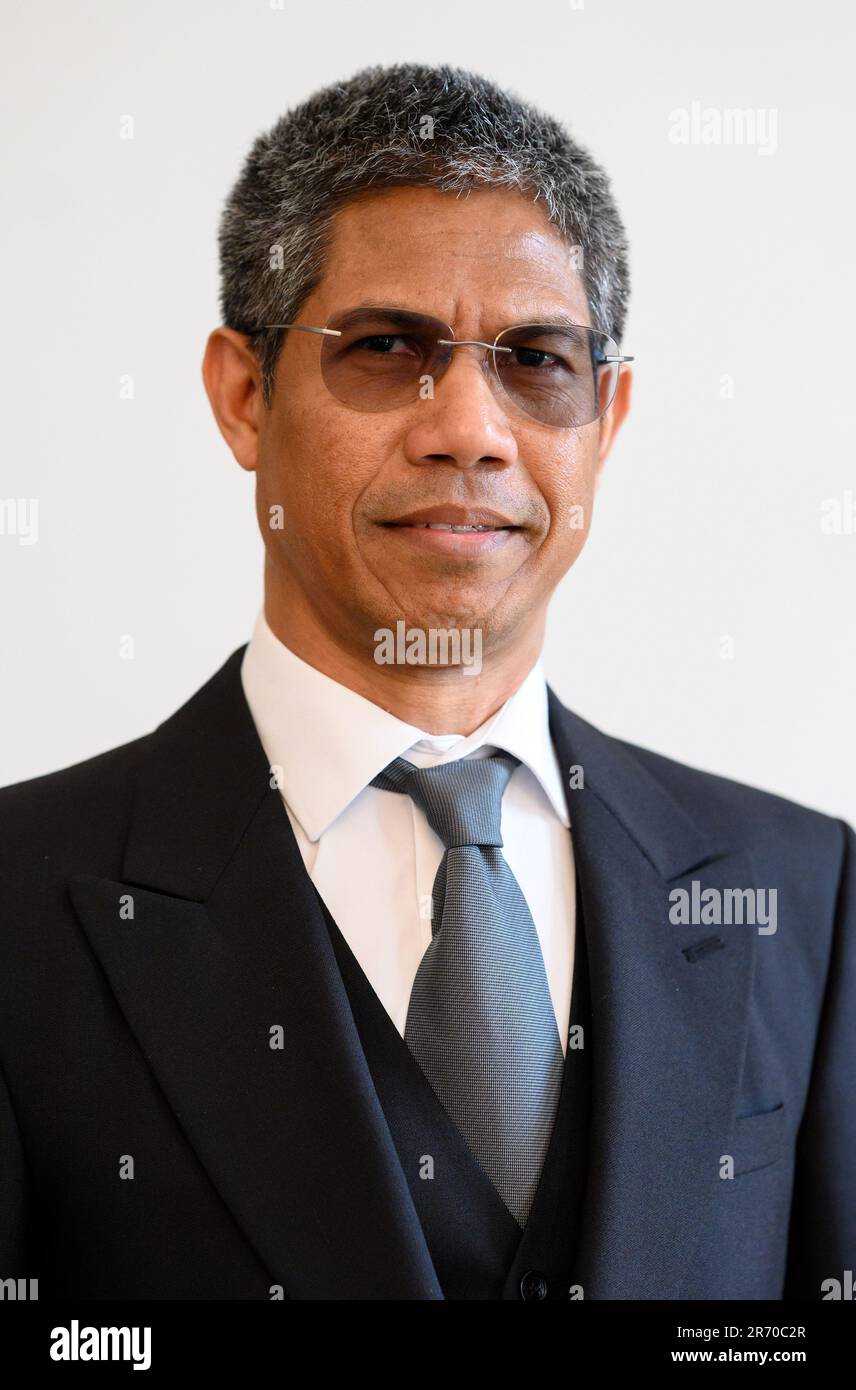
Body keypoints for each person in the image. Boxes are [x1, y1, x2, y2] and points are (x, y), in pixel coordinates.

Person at [0, 63, 853, 1302]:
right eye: (388, 346)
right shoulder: (24, 901)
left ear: (605, 420)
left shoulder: (801, 894)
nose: (469, 426)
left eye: (535, 360)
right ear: (246, 396)